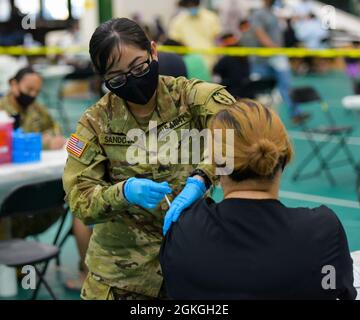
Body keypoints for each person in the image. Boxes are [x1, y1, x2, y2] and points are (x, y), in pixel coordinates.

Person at [62, 17, 235, 300]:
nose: (132, 80)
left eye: (139, 67)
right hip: (121, 277)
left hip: (192, 262)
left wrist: (203, 177)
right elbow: (79, 200)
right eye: (117, 78)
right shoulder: (94, 123)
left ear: (153, 51)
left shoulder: (189, 98)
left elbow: (238, 128)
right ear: (103, 78)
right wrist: (123, 193)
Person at [160, 99, 357, 300]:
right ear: (285, 157)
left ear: (216, 164)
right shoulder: (322, 232)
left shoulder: (183, 230)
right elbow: (339, 290)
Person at [242, 0, 309, 124]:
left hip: (275, 57)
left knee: (286, 85)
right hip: (263, 59)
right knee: (260, 90)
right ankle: (257, 118)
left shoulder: (272, 13)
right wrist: (275, 48)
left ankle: (295, 113)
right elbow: (259, 33)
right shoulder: (258, 14)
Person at [0, 67, 66, 150]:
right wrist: (38, 142)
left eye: (37, 92)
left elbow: (54, 127)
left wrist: (49, 136)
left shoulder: (36, 108)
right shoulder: (2, 109)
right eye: (29, 89)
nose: (33, 95)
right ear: (14, 85)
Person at [168, 0, 221, 69]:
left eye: (194, 3)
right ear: (185, 5)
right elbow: (175, 41)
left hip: (210, 59)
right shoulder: (178, 21)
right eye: (189, 4)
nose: (191, 6)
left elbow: (217, 38)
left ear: (198, 3)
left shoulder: (211, 17)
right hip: (189, 61)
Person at [213, 32, 250, 98]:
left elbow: (215, 70)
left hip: (231, 92)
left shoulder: (227, 58)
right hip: (246, 91)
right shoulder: (243, 55)